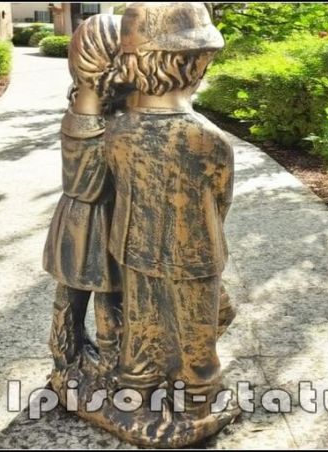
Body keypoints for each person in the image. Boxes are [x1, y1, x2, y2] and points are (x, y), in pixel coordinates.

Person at [104, 2, 234, 418]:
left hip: (133, 247)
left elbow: (118, 186)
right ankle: (197, 393)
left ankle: (137, 384)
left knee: (143, 322)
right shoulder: (207, 137)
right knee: (198, 328)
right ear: (191, 64)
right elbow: (221, 199)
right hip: (195, 254)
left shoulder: (118, 130)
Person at [43, 13, 126, 381]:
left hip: (73, 217)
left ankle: (65, 353)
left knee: (71, 291)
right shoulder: (110, 123)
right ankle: (113, 362)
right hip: (101, 219)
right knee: (110, 292)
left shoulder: (79, 106)